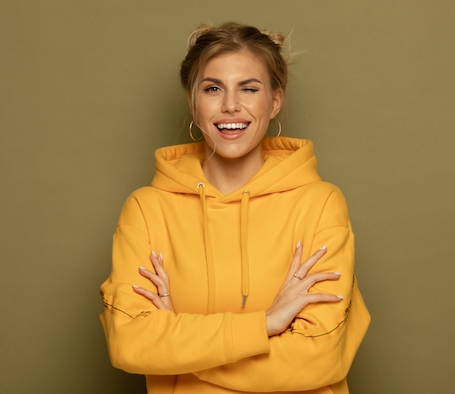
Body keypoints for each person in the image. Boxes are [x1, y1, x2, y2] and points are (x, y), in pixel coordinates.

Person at [99, 22, 370, 394]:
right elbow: (130, 343)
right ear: (193, 103)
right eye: (213, 88)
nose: (230, 105)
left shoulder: (319, 204)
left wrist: (181, 356)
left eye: (249, 88)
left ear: (275, 101)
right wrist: (265, 324)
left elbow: (320, 356)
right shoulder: (146, 210)